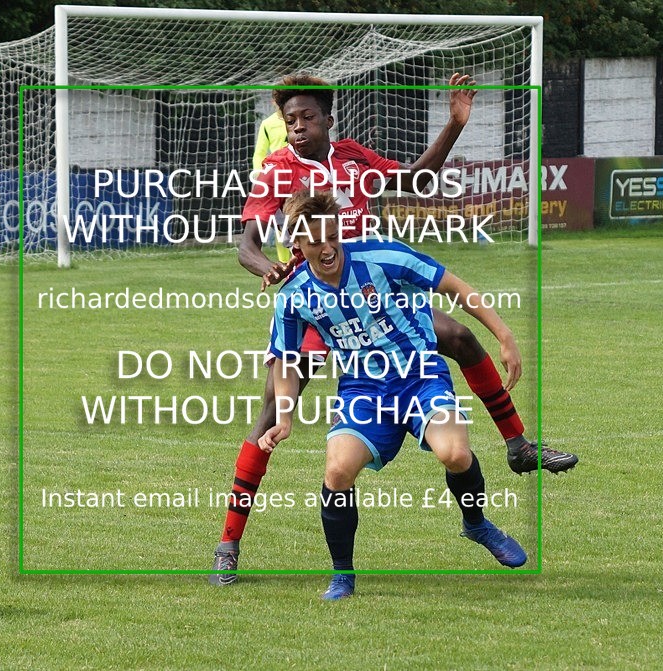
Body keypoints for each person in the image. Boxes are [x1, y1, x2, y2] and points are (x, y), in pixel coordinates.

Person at [209, 73, 576, 586]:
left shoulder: (354, 158)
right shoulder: (276, 171)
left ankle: (517, 446)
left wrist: (453, 125)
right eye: (289, 120)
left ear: (328, 119)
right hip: (322, 304)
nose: (297, 127)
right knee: (274, 411)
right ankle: (230, 541)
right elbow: (246, 244)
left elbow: (419, 181)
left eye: (306, 117)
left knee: (460, 337)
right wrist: (264, 269)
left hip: (379, 290)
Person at [259, 189, 528, 600]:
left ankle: (476, 523)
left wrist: (504, 335)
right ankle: (342, 576)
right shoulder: (294, 296)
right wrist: (284, 417)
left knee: (455, 454)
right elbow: (285, 359)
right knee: (337, 471)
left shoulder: (382, 256)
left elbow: (452, 286)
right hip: (363, 392)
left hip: (420, 376)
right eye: (314, 241)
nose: (327, 247)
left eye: (332, 235)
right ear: (296, 244)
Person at [252, 110, 292, 263]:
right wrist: (259, 176)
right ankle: (285, 263)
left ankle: (302, 261)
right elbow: (259, 152)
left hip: (299, 175)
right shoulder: (268, 123)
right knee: (281, 224)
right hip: (278, 179)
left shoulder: (300, 120)